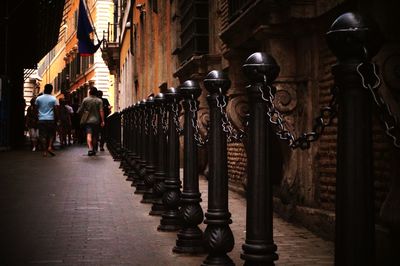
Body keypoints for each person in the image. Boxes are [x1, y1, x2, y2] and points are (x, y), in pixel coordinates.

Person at [78, 87, 105, 156]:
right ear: (96, 93)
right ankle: (94, 149)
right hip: (96, 121)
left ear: (89, 92)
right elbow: (101, 111)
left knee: (89, 135)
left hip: (87, 121)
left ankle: (90, 148)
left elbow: (80, 110)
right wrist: (102, 120)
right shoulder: (99, 101)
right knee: (95, 136)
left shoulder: (85, 100)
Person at [35, 84, 59, 157]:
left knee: (42, 135)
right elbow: (56, 110)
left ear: (44, 89)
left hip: (41, 119)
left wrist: (37, 118)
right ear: (51, 90)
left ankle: (45, 151)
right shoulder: (54, 99)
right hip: (50, 119)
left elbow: (36, 109)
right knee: (51, 135)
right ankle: (49, 147)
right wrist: (57, 119)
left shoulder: (38, 98)